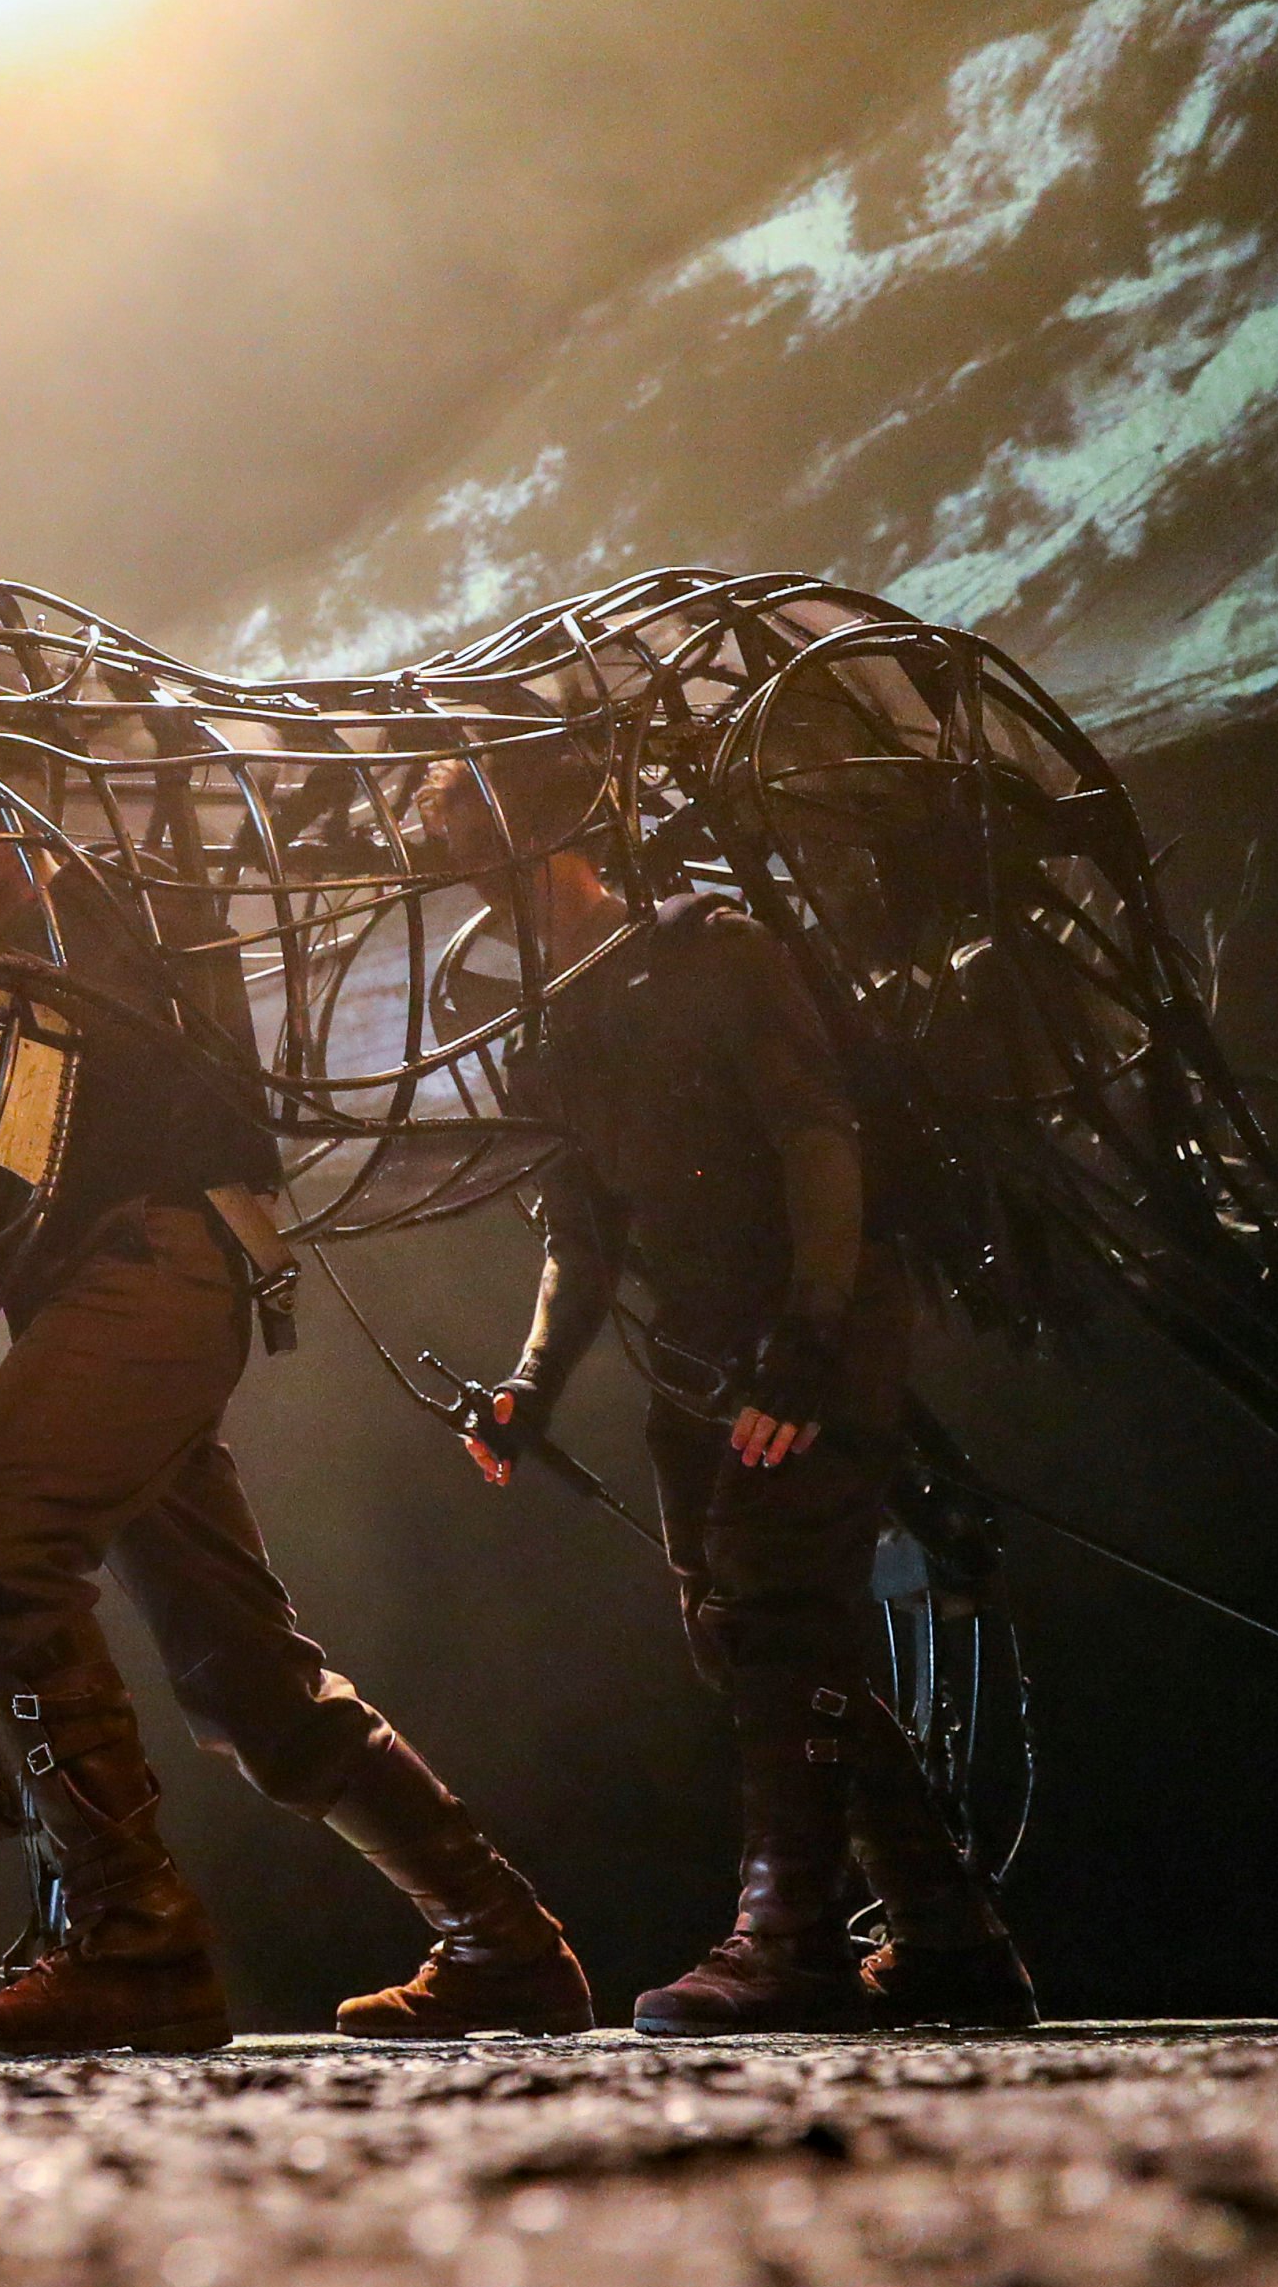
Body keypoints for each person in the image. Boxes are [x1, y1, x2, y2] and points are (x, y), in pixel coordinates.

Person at [0, 801, 593, 2051]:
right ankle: (504, 1944)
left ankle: (135, 1937)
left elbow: (143, 1039)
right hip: (110, 1291)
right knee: (246, 1677)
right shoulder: (14, 949)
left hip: (161, 1271)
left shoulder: (131, 901)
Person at [415, 746, 1036, 2034]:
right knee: (746, 1633)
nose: (434, 824)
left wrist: (809, 1343)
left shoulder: (717, 953)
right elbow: (579, 1229)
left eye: (459, 798)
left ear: (548, 826)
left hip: (810, 1327)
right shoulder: (544, 1008)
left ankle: (789, 1940)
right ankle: (947, 1936)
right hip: (702, 1352)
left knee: (772, 1611)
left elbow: (820, 1137)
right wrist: (528, 1386)